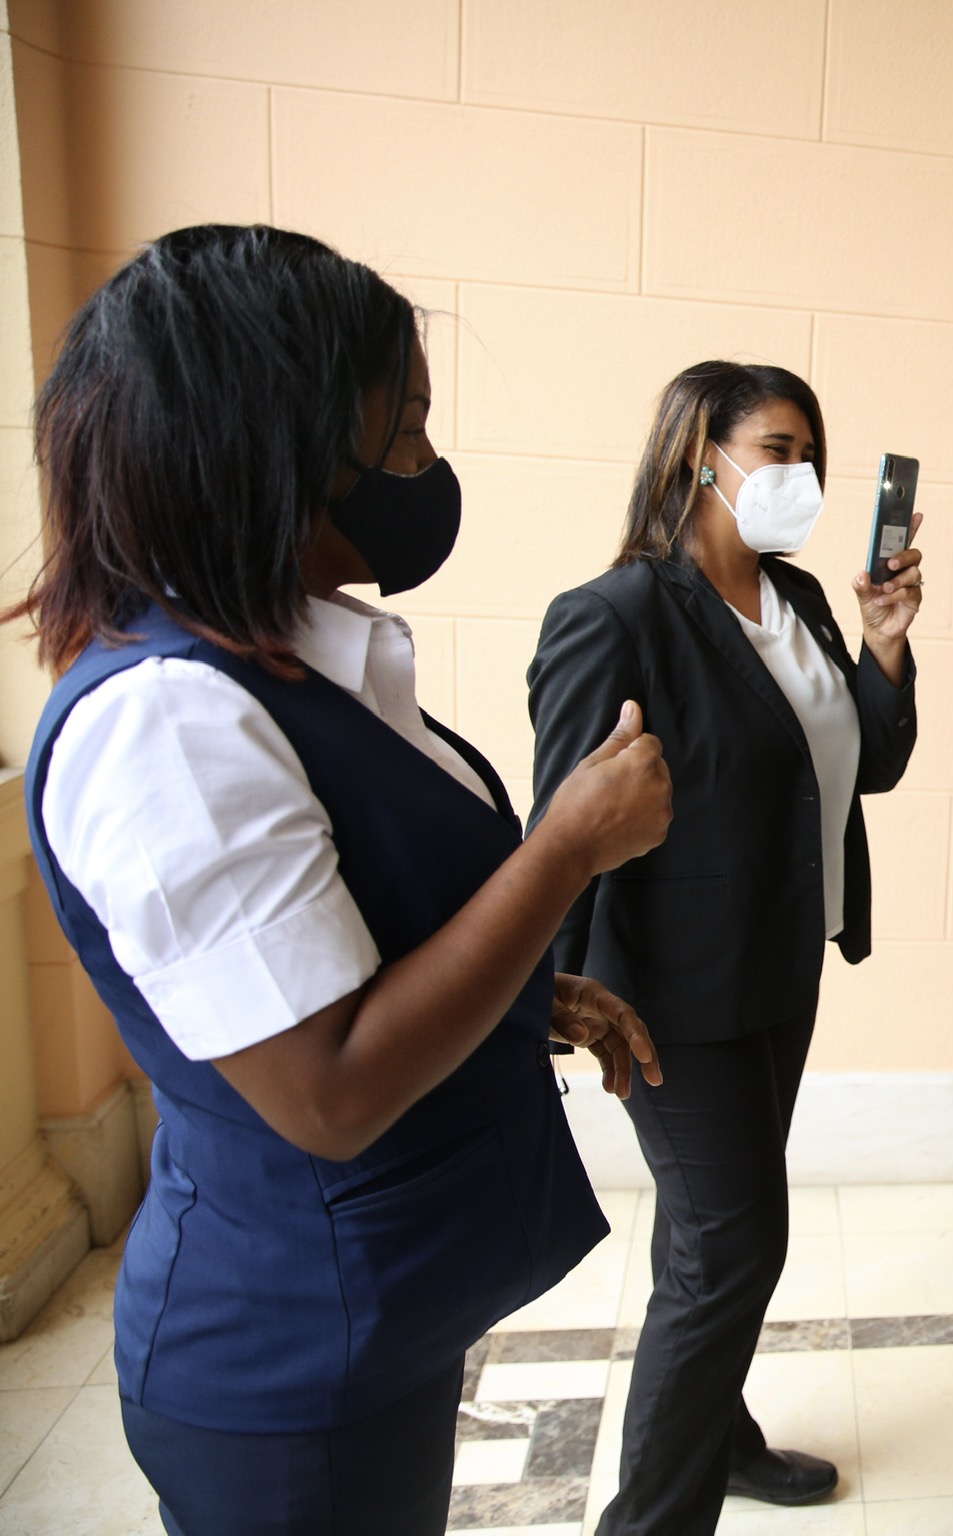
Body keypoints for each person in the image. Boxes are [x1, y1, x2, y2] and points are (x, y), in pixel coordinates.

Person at [13, 225, 670, 1534]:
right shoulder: (168, 726)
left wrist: (527, 996)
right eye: (406, 428)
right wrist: (564, 851)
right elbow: (325, 1088)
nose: (427, 466)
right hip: (286, 1368)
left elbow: (340, 948)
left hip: (379, 1325)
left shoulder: (281, 667)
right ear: (279, 443)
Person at [528, 361, 922, 1533]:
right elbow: (562, 824)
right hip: (671, 992)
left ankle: (723, 1436)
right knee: (733, 1242)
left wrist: (885, 644)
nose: (802, 474)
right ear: (701, 456)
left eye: (812, 454)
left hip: (782, 962)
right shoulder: (614, 616)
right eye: (778, 449)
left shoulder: (796, 600)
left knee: (709, 1236)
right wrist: (552, 992)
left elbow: (869, 764)